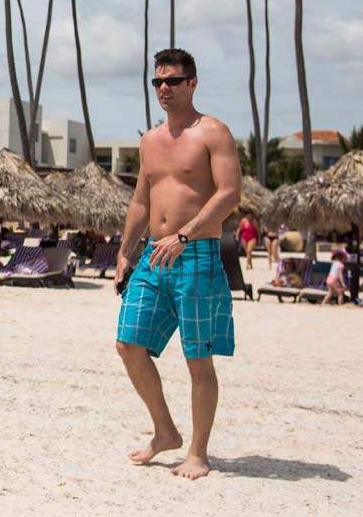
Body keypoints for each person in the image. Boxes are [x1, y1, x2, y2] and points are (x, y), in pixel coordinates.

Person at [114, 48, 241, 481]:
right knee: (129, 344)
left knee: (197, 360)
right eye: (157, 82)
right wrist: (125, 251)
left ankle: (198, 453)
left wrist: (185, 234)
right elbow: (141, 200)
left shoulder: (213, 133)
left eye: (172, 80)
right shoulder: (150, 140)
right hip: (152, 257)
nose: (163, 88)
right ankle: (165, 431)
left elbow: (229, 194)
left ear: (192, 83)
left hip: (196, 255)